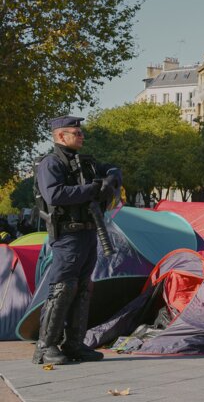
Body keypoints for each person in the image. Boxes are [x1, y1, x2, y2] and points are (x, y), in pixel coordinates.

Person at [32, 116, 121, 365]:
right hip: (67, 236)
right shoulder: (51, 163)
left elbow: (113, 169)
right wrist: (94, 189)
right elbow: (55, 194)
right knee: (62, 289)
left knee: (82, 289)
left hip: (89, 232)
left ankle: (74, 344)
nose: (82, 136)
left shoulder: (86, 162)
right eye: (76, 133)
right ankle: (45, 347)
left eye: (81, 133)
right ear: (61, 136)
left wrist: (111, 179)